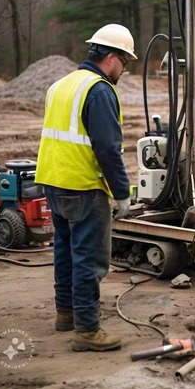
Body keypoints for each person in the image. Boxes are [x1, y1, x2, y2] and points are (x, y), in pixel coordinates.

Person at [35, 24, 138, 352]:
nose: (124, 70)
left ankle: (66, 314)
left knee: (65, 251)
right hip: (83, 186)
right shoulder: (99, 90)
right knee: (88, 259)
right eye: (125, 62)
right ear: (111, 58)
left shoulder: (61, 85)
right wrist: (122, 192)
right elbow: (107, 148)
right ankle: (88, 330)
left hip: (53, 181)